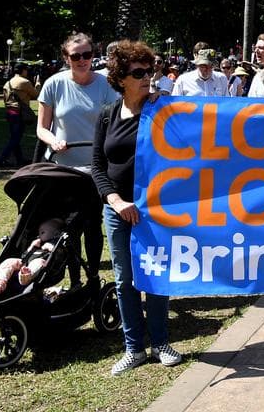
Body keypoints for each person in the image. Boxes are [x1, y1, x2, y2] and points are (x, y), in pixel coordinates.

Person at [92, 39, 183, 375]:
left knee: (156, 276)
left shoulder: (160, 110)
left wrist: (166, 106)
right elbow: (98, 166)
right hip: (118, 210)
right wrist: (115, 201)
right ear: (120, 79)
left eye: (150, 70)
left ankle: (160, 343)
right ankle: (134, 349)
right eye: (139, 73)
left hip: (153, 210)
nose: (147, 77)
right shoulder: (107, 115)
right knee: (124, 280)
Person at [36, 32, 117, 287]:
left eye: (87, 55)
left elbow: (116, 122)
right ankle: (74, 281)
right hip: (63, 168)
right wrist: (53, 141)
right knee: (69, 227)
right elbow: (42, 128)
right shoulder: (54, 84)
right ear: (66, 58)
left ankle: (92, 277)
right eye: (76, 56)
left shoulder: (105, 84)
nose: (82, 60)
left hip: (96, 167)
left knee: (92, 224)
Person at [0, 218, 64, 295]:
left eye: (42, 232)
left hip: (40, 262)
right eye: (39, 232)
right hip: (24, 261)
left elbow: (58, 253)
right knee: (9, 262)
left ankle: (25, 276)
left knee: (38, 263)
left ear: (55, 234)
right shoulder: (38, 241)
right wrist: (32, 246)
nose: (39, 234)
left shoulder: (54, 243)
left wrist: (50, 247)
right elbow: (28, 252)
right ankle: (0, 283)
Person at [0, 63, 40, 167]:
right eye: (26, 70)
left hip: (10, 112)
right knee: (15, 138)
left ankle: (20, 159)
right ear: (23, 70)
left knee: (15, 137)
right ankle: (2, 159)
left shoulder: (8, 83)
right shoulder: (24, 82)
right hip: (19, 113)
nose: (27, 72)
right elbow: (37, 95)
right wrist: (38, 84)